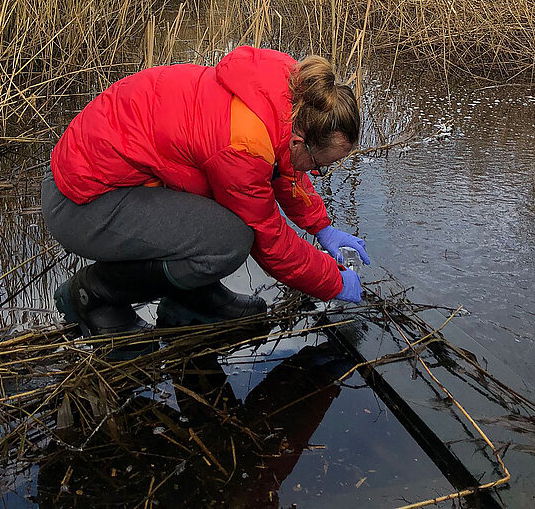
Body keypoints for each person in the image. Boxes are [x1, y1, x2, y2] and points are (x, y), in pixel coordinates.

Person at [41, 46, 370, 336]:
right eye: (318, 165)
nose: (313, 173)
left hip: (109, 176)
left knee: (217, 211)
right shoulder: (242, 144)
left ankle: (191, 297)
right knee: (230, 240)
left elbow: (284, 163)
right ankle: (95, 294)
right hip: (80, 201)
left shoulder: (288, 92)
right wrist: (333, 281)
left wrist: (321, 226)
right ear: (301, 142)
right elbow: (271, 242)